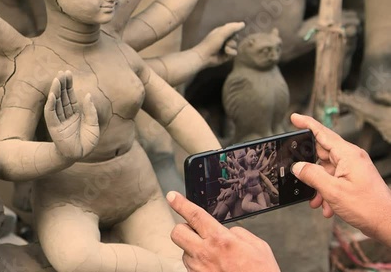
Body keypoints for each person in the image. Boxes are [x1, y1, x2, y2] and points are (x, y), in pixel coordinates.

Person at [166, 113, 391, 272]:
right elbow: (238, 173)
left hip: (258, 192)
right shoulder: (245, 170)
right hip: (247, 193)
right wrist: (383, 216)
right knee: (244, 204)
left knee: (259, 199)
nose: (252, 158)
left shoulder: (256, 168)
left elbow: (264, 168)